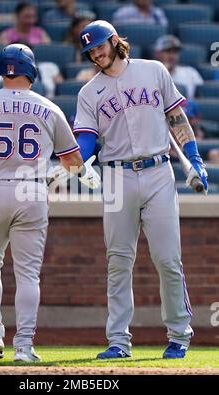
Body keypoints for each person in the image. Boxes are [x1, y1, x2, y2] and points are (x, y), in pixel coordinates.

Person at [0, 43, 100, 362]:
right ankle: (22, 346)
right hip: (32, 191)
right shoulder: (48, 107)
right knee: (27, 275)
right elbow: (73, 160)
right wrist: (85, 173)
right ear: (30, 70)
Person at [75, 20, 208, 359]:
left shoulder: (153, 70)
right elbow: (87, 140)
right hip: (117, 176)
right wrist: (77, 160)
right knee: (118, 261)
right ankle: (118, 340)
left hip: (158, 171)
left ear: (115, 40)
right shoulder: (89, 92)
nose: (96, 52)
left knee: (168, 259)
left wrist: (194, 158)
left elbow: (177, 118)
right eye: (90, 50)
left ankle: (179, 334)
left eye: (100, 45)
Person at [155, 35, 204, 99]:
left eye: (175, 52)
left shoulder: (191, 72)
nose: (172, 56)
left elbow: (200, 99)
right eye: (168, 51)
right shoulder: (149, 74)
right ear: (157, 53)